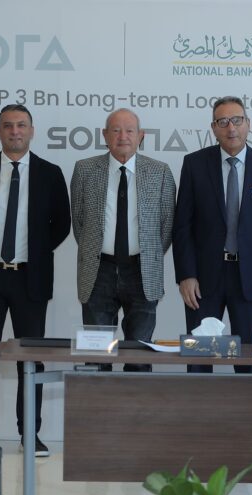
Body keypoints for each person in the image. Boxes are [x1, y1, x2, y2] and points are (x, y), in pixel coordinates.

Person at [0, 104, 70, 455]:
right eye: (8, 126)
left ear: (32, 131)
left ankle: (29, 434)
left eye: (21, 125)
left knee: (30, 359)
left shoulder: (50, 174)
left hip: (30, 279)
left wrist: (34, 253)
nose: (15, 131)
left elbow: (61, 225)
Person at [172, 96, 252, 372]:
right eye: (223, 121)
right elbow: (182, 226)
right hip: (203, 281)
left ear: (248, 123)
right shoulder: (194, 164)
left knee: (248, 363)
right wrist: (186, 275)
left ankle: (246, 404)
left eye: (237, 120)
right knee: (200, 360)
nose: (231, 128)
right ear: (213, 128)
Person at [70, 109, 175, 372]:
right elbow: (79, 222)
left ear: (141, 136)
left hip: (142, 272)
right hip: (98, 271)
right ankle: (98, 400)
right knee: (96, 356)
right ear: (105, 135)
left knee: (139, 356)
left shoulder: (160, 171)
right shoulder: (84, 170)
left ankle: (135, 401)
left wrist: (146, 255)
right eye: (116, 130)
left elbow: (166, 225)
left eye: (129, 130)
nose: (123, 136)